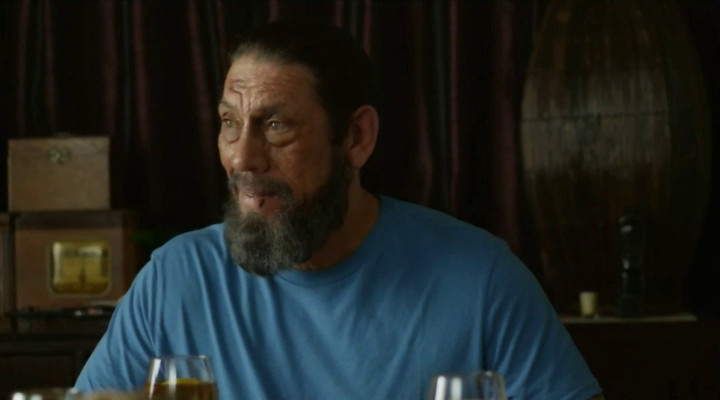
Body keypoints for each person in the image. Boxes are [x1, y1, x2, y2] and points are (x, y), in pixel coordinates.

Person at [75, 20, 604, 400]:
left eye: (276, 125)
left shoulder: (482, 280)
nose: (242, 157)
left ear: (356, 137)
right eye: (229, 122)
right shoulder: (174, 280)